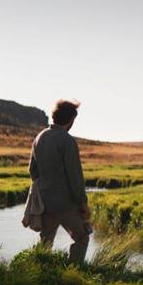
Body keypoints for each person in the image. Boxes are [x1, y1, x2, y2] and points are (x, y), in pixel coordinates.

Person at [28, 100, 91, 265]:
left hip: (45, 201)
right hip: (65, 203)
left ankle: (39, 273)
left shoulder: (40, 137)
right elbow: (75, 176)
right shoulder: (67, 140)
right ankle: (74, 272)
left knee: (45, 241)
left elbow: (32, 171)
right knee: (82, 237)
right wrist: (83, 203)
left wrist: (44, 188)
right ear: (71, 119)